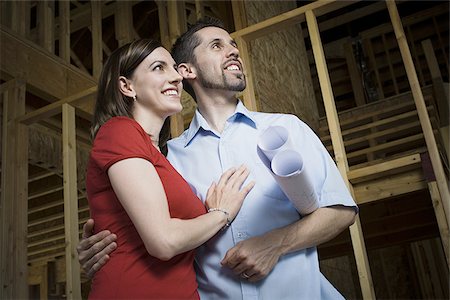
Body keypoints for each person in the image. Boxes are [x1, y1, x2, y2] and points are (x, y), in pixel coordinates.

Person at [78, 18, 358, 299]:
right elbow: (153, 233)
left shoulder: (286, 128)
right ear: (186, 70)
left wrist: (274, 244)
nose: (233, 50)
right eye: (217, 45)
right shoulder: (170, 157)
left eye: (233, 45)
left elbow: (341, 211)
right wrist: (99, 247)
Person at [85, 38, 254, 299]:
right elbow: (163, 241)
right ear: (127, 86)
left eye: (175, 68)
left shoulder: (162, 157)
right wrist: (221, 214)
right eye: (158, 68)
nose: (176, 77)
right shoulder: (119, 131)